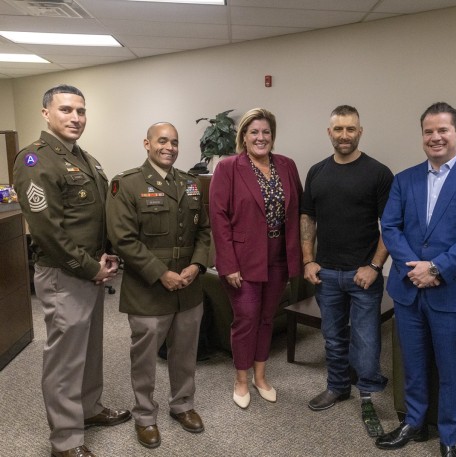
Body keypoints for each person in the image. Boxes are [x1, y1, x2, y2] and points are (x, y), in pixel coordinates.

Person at [12, 84, 130, 457]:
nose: (76, 118)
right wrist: (89, 267)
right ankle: (64, 441)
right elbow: (47, 230)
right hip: (65, 273)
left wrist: (107, 255)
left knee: (90, 349)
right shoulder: (35, 160)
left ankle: (90, 409)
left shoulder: (85, 159)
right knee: (65, 359)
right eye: (66, 110)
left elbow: (94, 215)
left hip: (91, 269)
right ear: (46, 113)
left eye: (80, 111)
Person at [379, 102, 456, 457]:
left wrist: (435, 269)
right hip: (408, 290)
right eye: (428, 131)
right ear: (422, 137)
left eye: (443, 130)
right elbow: (391, 226)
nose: (435, 137)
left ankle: (449, 437)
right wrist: (412, 267)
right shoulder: (404, 180)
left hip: (454, 292)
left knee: (451, 369)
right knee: (413, 364)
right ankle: (414, 423)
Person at [106, 122, 211, 449]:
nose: (169, 147)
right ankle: (145, 415)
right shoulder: (126, 184)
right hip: (148, 287)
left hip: (189, 287)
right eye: (162, 141)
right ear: (147, 144)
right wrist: (160, 272)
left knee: (185, 351)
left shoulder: (191, 183)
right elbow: (122, 239)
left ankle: (182, 404)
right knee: (145, 356)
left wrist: (197, 264)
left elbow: (205, 231)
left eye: (174, 142)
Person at [301, 105, 393, 437]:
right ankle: (337, 385)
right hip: (326, 273)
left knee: (367, 343)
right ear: (329, 132)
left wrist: (374, 265)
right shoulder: (316, 172)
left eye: (350, 129)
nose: (344, 135)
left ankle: (367, 395)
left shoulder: (379, 173)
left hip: (362, 275)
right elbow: (308, 218)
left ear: (360, 132)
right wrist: (308, 260)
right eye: (338, 129)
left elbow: (391, 226)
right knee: (333, 337)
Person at [209, 108, 302, 409]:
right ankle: (240, 379)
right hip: (243, 259)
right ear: (244, 137)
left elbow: (297, 210)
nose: (261, 138)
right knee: (246, 318)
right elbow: (219, 218)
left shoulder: (287, 166)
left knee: (266, 317)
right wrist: (228, 264)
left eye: (266, 132)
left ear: (272, 136)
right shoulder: (228, 168)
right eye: (254, 132)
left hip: (278, 257)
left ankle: (260, 377)